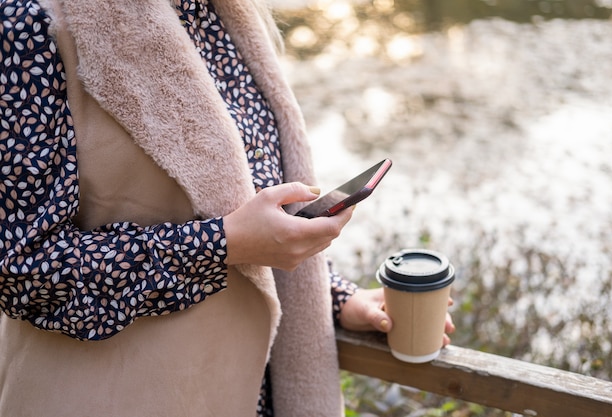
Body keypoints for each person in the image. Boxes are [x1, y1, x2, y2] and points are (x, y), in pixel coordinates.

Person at [0, 0, 455, 416]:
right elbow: (20, 270)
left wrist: (334, 297)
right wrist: (224, 243)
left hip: (245, 392)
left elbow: (237, 201)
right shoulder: (31, 23)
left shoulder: (224, 13)